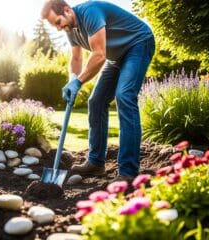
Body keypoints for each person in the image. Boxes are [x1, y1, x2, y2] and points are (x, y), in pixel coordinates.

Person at [41, 0, 155, 183]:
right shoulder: (71, 30)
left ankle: (128, 170)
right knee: (95, 101)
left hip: (138, 43)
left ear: (67, 10)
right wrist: (72, 80)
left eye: (57, 22)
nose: (58, 28)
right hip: (117, 57)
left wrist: (79, 82)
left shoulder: (90, 13)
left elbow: (99, 55)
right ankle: (96, 162)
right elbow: (76, 58)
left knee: (124, 96)